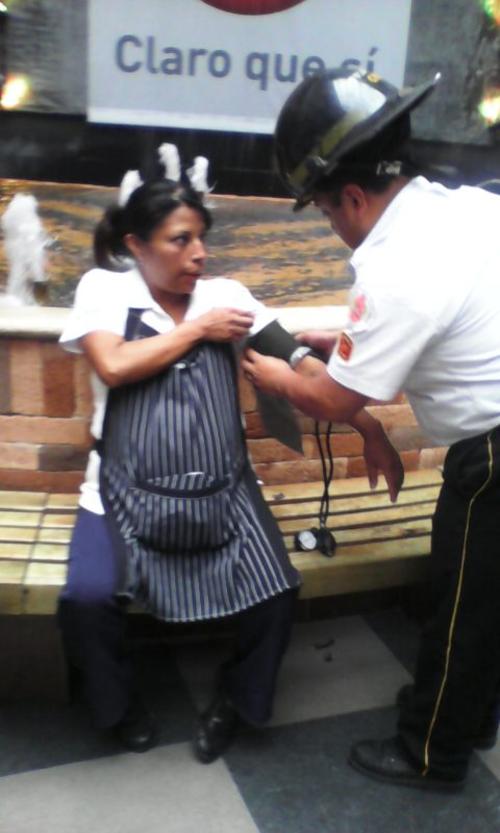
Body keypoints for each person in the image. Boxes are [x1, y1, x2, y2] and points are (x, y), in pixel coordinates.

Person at [242, 65, 500, 791]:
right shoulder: (467, 208)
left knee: (461, 611)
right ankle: (466, 713)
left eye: (326, 210)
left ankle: (431, 751)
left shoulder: (394, 267)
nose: (331, 224)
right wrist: (339, 349)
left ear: (352, 195)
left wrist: (277, 376)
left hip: (493, 456)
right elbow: (420, 330)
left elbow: (326, 398)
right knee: (483, 604)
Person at [58, 176, 303, 763]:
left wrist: (358, 411)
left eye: (202, 239)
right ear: (136, 244)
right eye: (180, 240)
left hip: (225, 492)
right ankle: (118, 707)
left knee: (279, 595)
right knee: (86, 599)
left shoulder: (230, 295)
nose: (199, 253)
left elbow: (294, 354)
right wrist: (198, 330)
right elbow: (113, 365)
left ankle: (236, 700)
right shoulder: (104, 290)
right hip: (121, 494)